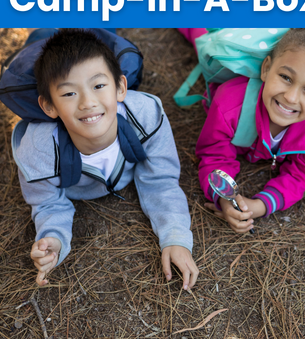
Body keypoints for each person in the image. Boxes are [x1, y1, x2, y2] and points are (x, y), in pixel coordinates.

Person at [12, 29, 199, 288]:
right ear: (48, 106)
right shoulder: (38, 153)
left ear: (121, 87)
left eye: (99, 86)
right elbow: (47, 204)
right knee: (43, 33)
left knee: (91, 25)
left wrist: (175, 237)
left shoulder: (146, 117)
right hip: (41, 40)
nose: (88, 102)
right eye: (69, 94)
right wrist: (53, 238)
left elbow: (161, 180)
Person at [181, 28, 305, 233]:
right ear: (266, 68)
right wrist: (224, 198)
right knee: (204, 39)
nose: (291, 97)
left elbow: (303, 173)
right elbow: (214, 153)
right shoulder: (229, 104)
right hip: (230, 79)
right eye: (286, 77)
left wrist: (262, 205)